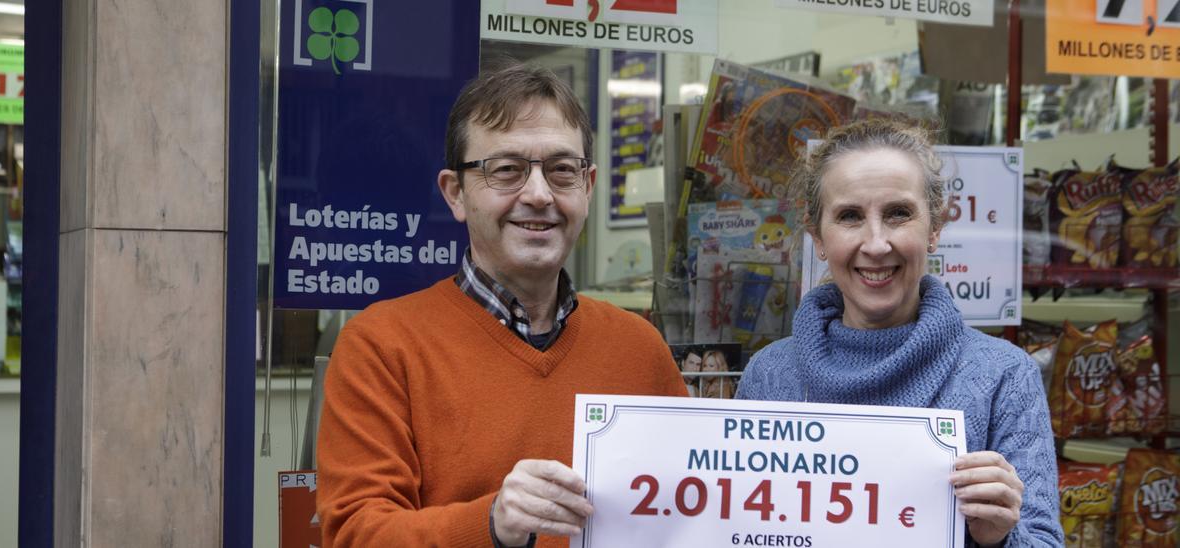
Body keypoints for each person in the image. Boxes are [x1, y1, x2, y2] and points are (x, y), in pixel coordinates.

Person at [316, 63, 688, 548]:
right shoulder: (380, 346)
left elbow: (688, 516)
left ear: (588, 186)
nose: (538, 195)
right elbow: (353, 533)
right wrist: (491, 523)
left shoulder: (640, 349)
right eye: (507, 170)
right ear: (456, 194)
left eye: (561, 170)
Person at [735, 119, 1061, 547]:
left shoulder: (1003, 376)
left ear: (935, 228)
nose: (875, 244)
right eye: (850, 216)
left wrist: (998, 537)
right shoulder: (769, 376)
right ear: (817, 236)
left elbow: (1042, 541)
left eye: (898, 214)